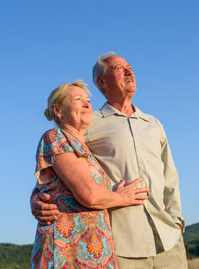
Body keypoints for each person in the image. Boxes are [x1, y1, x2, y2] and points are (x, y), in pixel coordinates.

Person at [32, 53, 188, 268]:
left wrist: (177, 222)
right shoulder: (86, 123)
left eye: (130, 67)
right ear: (102, 82)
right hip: (122, 247)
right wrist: (37, 198)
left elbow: (170, 176)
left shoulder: (154, 124)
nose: (129, 71)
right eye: (119, 68)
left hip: (169, 240)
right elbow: (56, 169)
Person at [31, 80, 149, 268]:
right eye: (78, 99)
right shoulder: (55, 137)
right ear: (58, 110)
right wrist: (121, 197)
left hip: (95, 251)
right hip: (67, 251)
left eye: (88, 100)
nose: (87, 104)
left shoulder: (86, 150)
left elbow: (49, 186)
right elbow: (90, 195)